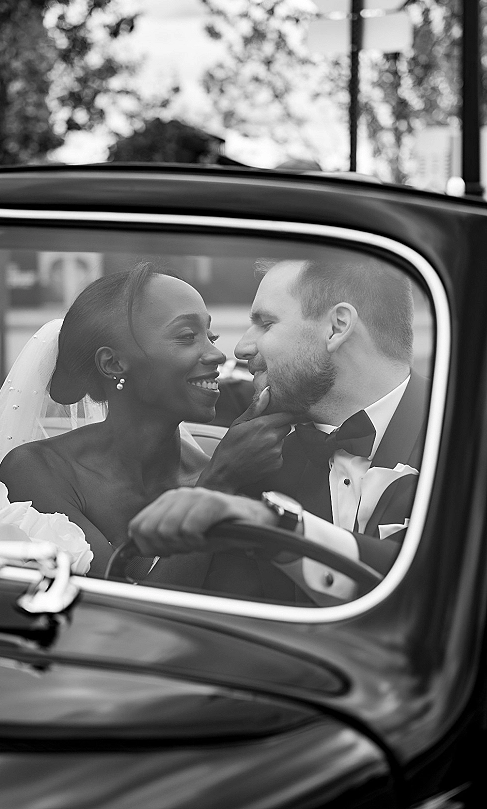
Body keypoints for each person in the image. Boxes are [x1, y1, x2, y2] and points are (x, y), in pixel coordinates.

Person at [128, 254, 429, 601]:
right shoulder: (260, 470)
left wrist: (279, 526)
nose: (240, 348)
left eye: (266, 323)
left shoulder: (467, 436)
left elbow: (441, 589)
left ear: (337, 327)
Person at [0, 262, 234, 579]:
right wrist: (220, 489)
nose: (216, 355)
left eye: (210, 335)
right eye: (187, 336)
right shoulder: (40, 470)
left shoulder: (209, 469)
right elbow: (126, 614)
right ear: (113, 363)